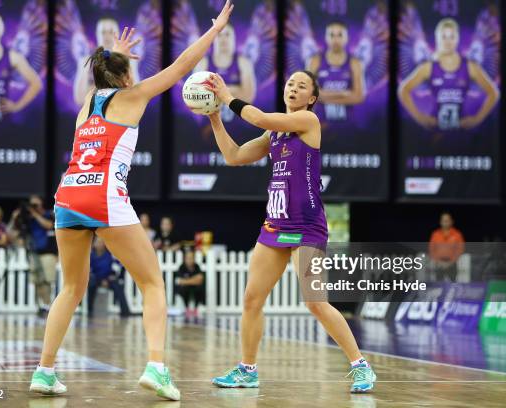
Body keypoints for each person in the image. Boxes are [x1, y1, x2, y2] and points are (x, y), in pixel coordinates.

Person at [29, 2, 233, 401]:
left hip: (68, 194)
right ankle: (157, 366)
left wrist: (115, 52)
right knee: (152, 281)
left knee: (70, 288)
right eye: (130, 71)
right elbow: (181, 66)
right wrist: (215, 31)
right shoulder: (134, 96)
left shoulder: (88, 102)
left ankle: (44, 371)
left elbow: (105, 69)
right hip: (102, 193)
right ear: (125, 76)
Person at [204, 70, 376, 393]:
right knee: (252, 299)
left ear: (311, 98)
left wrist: (227, 96)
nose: (293, 88)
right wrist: (215, 118)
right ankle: (247, 369)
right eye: (290, 84)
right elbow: (234, 156)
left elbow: (256, 117)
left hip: (307, 225)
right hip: (275, 224)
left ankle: (361, 366)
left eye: (301, 86)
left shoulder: (307, 122)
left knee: (315, 302)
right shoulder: (274, 135)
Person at [398, 18, 499, 131]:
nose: (448, 41)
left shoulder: (469, 66)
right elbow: (403, 90)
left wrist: (477, 119)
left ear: (457, 39)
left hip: (463, 131)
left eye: (452, 37)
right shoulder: (428, 66)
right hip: (435, 130)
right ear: (438, 39)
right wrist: (420, 118)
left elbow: (493, 93)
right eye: (444, 37)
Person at [73, 18, 140, 107]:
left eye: (111, 32)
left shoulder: (128, 62)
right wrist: (84, 68)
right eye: (103, 32)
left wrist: (129, 65)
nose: (107, 36)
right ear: (97, 34)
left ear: (118, 33)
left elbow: (136, 97)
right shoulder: (87, 62)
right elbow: (80, 99)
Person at [307, 21, 365, 124]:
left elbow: (358, 97)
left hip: (348, 125)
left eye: (340, 35)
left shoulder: (354, 62)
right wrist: (344, 94)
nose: (335, 39)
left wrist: (323, 96)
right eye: (331, 35)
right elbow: (309, 94)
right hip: (321, 125)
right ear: (326, 37)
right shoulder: (315, 61)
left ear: (346, 38)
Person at [196, 23, 256, 124]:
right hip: (209, 125)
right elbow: (196, 97)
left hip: (239, 124)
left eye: (227, 34)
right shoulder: (203, 63)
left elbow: (248, 96)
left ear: (234, 38)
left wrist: (214, 90)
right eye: (219, 35)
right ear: (213, 39)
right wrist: (235, 90)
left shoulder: (243, 62)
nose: (223, 39)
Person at [10, 196, 58, 316]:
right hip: (33, 253)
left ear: (42, 204)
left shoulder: (48, 214)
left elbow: (49, 225)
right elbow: (14, 233)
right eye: (32, 205)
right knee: (37, 281)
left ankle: (49, 305)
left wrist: (36, 214)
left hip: (47, 253)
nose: (34, 208)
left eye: (36, 205)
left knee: (47, 280)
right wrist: (15, 218)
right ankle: (41, 306)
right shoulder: (28, 219)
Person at [87, 237, 131, 317]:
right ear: (94, 244)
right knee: (91, 283)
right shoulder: (90, 256)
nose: (100, 244)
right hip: (96, 278)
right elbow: (89, 270)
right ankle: (89, 310)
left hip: (108, 278)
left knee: (118, 285)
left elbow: (117, 265)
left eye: (101, 242)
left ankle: (125, 311)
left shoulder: (110, 254)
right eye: (98, 242)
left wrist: (110, 277)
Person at [428, 212, 465, 281]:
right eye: (443, 221)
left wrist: (451, 262)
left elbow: (460, 249)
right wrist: (438, 262)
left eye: (447, 220)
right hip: (439, 264)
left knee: (453, 284)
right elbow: (431, 249)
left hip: (452, 264)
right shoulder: (435, 234)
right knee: (438, 285)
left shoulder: (457, 234)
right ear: (440, 222)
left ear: (451, 222)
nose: (445, 222)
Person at [175, 250, 205, 317]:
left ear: (194, 259)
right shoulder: (181, 267)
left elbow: (200, 279)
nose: (190, 260)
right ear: (185, 259)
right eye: (188, 258)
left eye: (191, 258)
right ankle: (187, 309)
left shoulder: (196, 266)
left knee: (200, 288)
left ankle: (196, 309)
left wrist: (187, 281)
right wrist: (194, 280)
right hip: (185, 288)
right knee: (184, 289)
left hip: (194, 287)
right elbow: (180, 281)